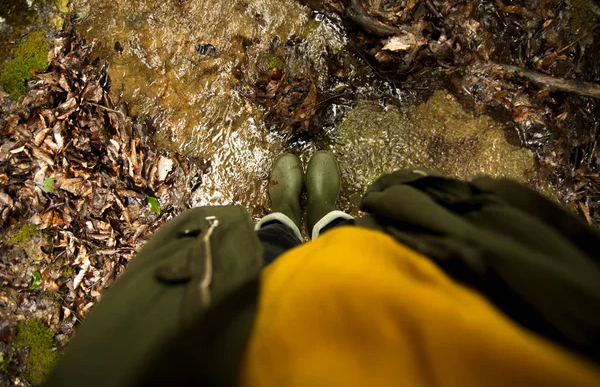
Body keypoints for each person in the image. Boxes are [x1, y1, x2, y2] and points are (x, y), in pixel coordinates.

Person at [44, 152, 600, 387]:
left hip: (250, 343)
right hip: (422, 305)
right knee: (356, 247)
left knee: (263, 262)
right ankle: (329, 219)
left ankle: (282, 221)